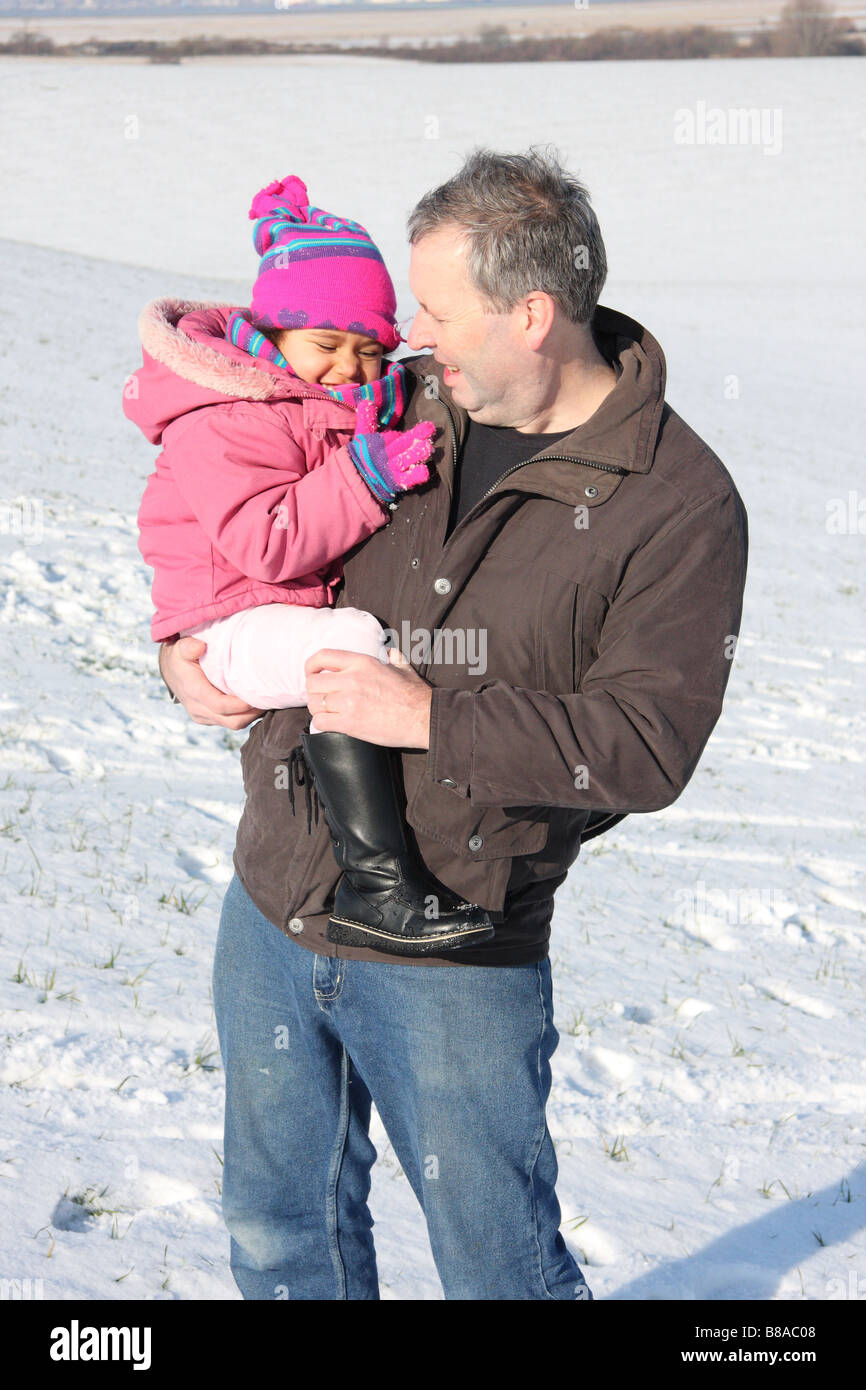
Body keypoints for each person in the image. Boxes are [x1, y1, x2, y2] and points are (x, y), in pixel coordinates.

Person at [160, 148, 748, 1301]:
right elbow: (230, 511)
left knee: (498, 1270)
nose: (408, 334)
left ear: (531, 314)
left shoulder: (675, 503)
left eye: (434, 308)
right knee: (279, 1232)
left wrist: (431, 716)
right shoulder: (384, 401)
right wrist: (182, 652)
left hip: (457, 942)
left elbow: (645, 743)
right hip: (275, 899)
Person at [125, 175, 493, 957]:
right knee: (354, 647)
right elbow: (266, 542)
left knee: (364, 654)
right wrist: (364, 477)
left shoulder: (316, 404)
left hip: (260, 616)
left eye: (370, 352)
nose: (349, 370)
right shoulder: (226, 417)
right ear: (273, 335)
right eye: (327, 347)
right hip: (224, 625)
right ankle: (380, 882)